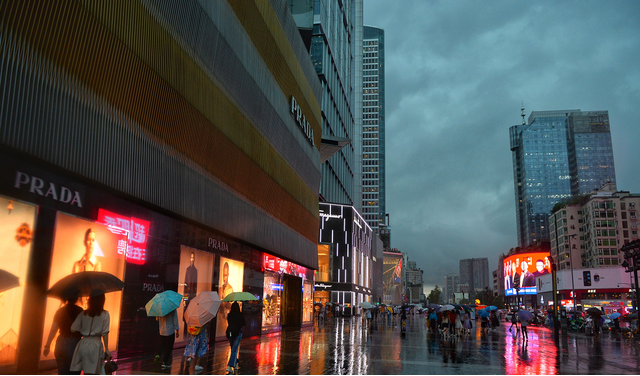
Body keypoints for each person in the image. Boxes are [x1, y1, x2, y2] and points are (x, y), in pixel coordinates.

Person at [69, 293, 111, 375]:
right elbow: (105, 332)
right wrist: (107, 348)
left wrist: (84, 329)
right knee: (92, 371)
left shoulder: (83, 314)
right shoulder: (105, 314)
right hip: (96, 345)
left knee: (82, 369)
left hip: (83, 343)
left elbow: (73, 329)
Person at [43, 295, 83, 375]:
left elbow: (53, 329)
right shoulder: (80, 311)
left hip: (61, 342)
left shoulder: (60, 311)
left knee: (62, 371)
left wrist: (47, 345)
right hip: (75, 342)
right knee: (74, 371)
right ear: (76, 298)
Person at [226, 302, 245, 374]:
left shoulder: (229, 315)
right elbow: (243, 323)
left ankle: (236, 362)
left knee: (233, 348)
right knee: (234, 349)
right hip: (238, 333)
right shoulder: (240, 315)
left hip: (230, 333)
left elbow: (229, 323)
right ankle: (230, 365)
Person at [183, 253, 198, 337]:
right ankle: (185, 333)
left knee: (191, 317)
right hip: (188, 296)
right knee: (186, 316)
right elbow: (185, 285)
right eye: (191, 257)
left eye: (193, 257)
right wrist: (185, 299)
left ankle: (189, 333)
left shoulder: (195, 270)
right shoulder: (188, 269)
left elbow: (195, 286)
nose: (192, 259)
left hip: (192, 297)